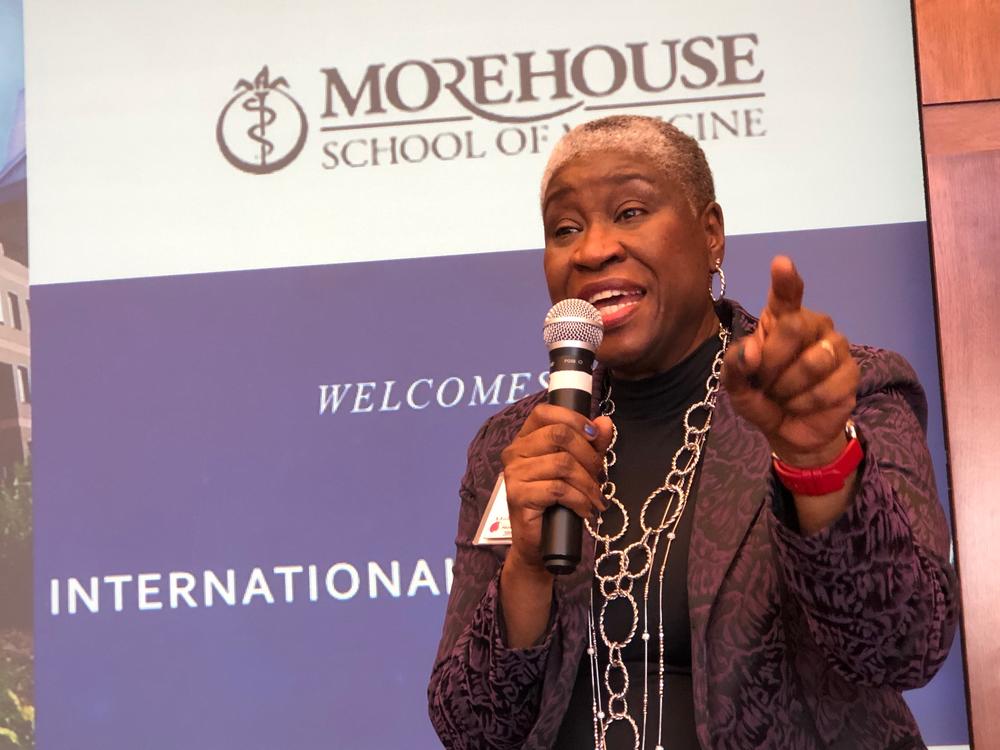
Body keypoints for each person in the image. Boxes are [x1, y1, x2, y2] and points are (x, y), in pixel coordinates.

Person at [427, 115, 958, 750]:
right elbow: (469, 729)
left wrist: (816, 461)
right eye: (565, 228)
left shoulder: (839, 391)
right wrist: (528, 568)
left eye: (629, 212)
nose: (592, 249)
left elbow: (903, 648)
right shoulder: (518, 444)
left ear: (711, 235)